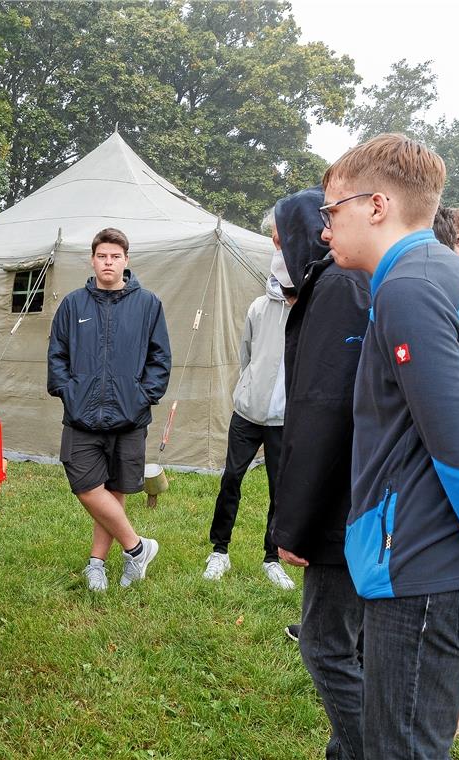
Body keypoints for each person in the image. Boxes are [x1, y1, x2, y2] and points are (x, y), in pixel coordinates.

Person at [323, 134, 459, 758]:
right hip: (428, 564)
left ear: (378, 205)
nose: (325, 225)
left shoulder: (412, 287)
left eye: (332, 209)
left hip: (428, 574)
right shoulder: (446, 276)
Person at [271, 186, 371, 759]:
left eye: (281, 241)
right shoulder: (334, 283)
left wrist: (296, 523)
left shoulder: (337, 285)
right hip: (358, 493)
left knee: (326, 646)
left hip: (342, 503)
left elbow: (322, 408)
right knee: (350, 643)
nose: (278, 253)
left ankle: (367, 749)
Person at [47, 227, 171, 591]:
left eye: (115, 256)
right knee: (86, 485)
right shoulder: (73, 305)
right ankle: (138, 548)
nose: (108, 262)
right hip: (82, 416)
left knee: (115, 489)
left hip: (129, 416)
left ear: (126, 261)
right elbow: (57, 356)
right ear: (92, 259)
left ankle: (97, 564)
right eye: (102, 256)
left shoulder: (148, 304)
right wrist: (69, 392)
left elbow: (160, 357)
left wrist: (142, 396)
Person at [203, 209, 295, 590]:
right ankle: (219, 551)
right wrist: (249, 388)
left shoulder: (307, 310)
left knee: (280, 489)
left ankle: (271, 558)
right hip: (248, 412)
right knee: (232, 479)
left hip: (284, 418)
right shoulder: (259, 307)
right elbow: (246, 356)